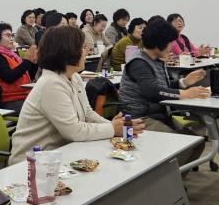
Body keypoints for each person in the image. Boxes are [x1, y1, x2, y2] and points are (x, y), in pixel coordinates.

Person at [9, 26, 144, 165]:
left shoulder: (74, 77)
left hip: (59, 155)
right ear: (67, 52)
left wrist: (115, 126)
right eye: (82, 47)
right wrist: (112, 128)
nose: (87, 51)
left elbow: (87, 114)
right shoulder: (51, 84)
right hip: (30, 163)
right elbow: (74, 131)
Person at [119, 20, 210, 133]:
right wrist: (185, 93)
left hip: (158, 114)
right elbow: (152, 90)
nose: (171, 47)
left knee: (195, 142)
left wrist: (184, 82)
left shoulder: (155, 60)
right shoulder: (138, 63)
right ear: (159, 43)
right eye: (170, 43)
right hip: (139, 118)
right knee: (185, 144)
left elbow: (161, 87)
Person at [0, 23, 38, 113]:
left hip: (24, 96)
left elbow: (29, 76)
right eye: (8, 36)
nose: (12, 39)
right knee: (43, 112)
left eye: (12, 35)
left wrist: (34, 62)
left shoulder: (12, 55)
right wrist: (27, 61)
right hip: (9, 101)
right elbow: (9, 77)